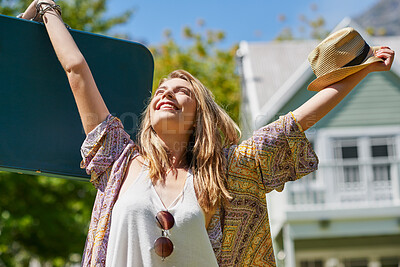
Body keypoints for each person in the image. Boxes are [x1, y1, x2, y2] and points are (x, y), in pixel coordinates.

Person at [19, 1, 395, 266]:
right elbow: (77, 71)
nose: (167, 93)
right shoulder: (119, 159)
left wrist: (362, 70)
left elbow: (295, 122)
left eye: (182, 90)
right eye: (161, 90)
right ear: (148, 115)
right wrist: (49, 9)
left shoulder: (222, 174)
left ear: (199, 116)